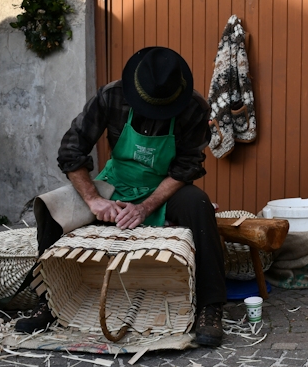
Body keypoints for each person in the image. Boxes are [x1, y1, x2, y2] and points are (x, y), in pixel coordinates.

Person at [15, 47, 226, 347]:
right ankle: (48, 300)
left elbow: (185, 169)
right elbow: (70, 151)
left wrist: (145, 207)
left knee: (199, 204)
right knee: (51, 208)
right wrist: (94, 200)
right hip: (115, 184)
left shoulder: (194, 108)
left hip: (163, 189)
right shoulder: (111, 96)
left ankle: (210, 307)